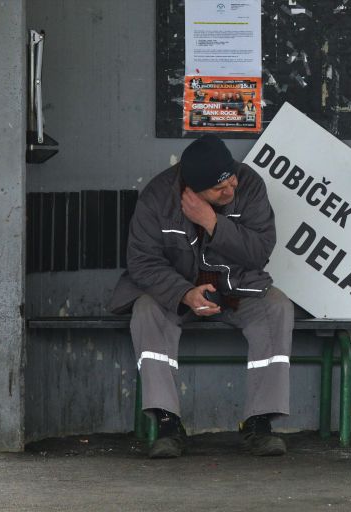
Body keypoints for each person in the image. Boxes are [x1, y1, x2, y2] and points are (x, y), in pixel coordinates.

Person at [109, 134, 293, 459]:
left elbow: (260, 251)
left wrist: (212, 222)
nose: (231, 189)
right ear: (192, 190)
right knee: (146, 310)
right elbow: (142, 261)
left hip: (237, 289)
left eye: (231, 178)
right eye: (219, 189)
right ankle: (168, 424)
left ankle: (259, 423)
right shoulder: (157, 196)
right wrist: (184, 293)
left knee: (277, 307)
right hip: (177, 294)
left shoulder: (249, 185)